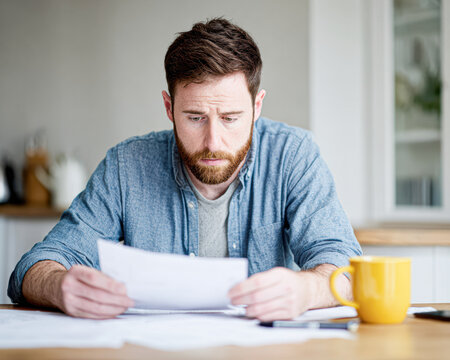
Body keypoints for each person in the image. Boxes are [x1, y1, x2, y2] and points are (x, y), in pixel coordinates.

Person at [8, 18, 361, 321]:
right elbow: (36, 265)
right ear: (168, 106)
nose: (213, 142)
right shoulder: (126, 166)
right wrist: (58, 286)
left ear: (257, 106)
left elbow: (346, 269)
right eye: (195, 118)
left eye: (230, 118)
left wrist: (307, 288)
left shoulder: (293, 155)